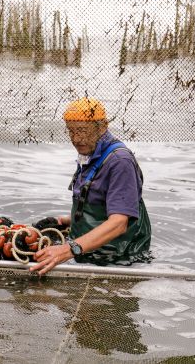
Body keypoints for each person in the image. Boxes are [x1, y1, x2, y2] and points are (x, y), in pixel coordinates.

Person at [30, 97, 151, 275]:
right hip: (88, 253)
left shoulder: (120, 162)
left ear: (102, 127)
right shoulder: (90, 152)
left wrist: (67, 250)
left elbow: (119, 223)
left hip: (119, 259)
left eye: (82, 130)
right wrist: (66, 220)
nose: (76, 139)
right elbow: (100, 208)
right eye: (71, 131)